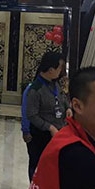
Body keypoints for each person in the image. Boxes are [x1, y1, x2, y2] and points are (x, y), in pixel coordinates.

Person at [25, 51, 67, 180]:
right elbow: (32, 115)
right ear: (50, 70)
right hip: (41, 136)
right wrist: (49, 127)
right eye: (59, 68)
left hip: (57, 133)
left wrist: (68, 109)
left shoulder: (55, 84)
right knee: (38, 168)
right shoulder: (35, 89)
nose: (61, 71)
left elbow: (62, 99)